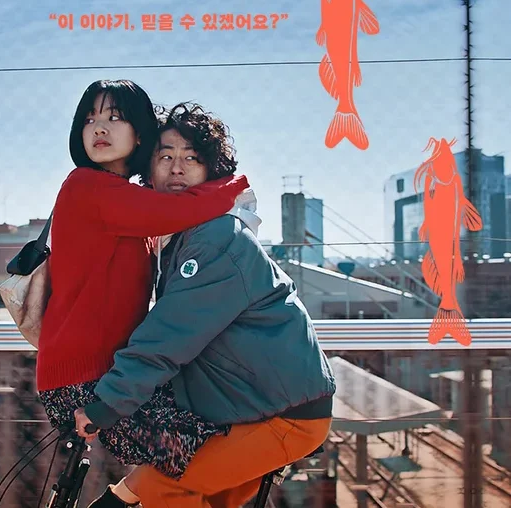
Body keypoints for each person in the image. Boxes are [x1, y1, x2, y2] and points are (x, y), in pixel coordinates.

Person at [76, 103, 336, 508]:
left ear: (211, 170)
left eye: (192, 158)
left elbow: (171, 333)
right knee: (174, 489)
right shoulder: (181, 237)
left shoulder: (215, 237)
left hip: (284, 416)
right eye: (165, 157)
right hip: (252, 407)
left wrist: (109, 401)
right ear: (149, 169)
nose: (177, 168)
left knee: (167, 484)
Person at [36, 81, 250, 485]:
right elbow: (183, 208)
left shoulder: (126, 197)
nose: (99, 128)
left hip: (112, 374)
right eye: (90, 119)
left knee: (210, 449)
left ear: (139, 134)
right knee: (214, 453)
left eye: (114, 117)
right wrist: (236, 185)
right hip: (86, 383)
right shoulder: (87, 186)